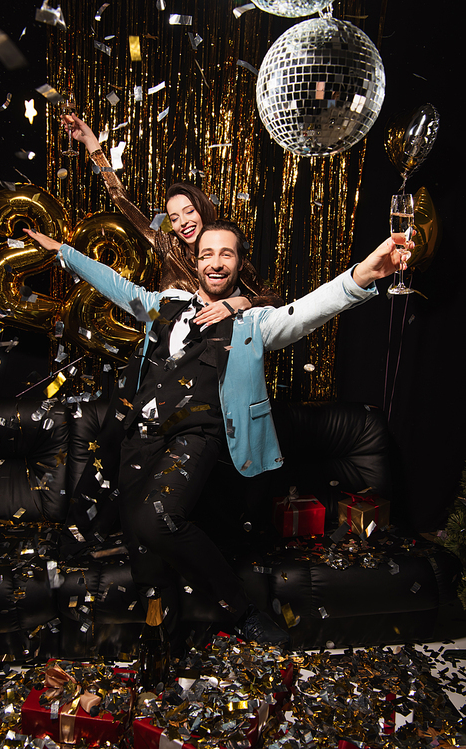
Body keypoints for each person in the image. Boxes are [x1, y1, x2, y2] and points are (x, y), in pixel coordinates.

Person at [24, 220, 409, 647]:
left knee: (156, 520)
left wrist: (364, 274)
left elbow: (307, 310)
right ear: (195, 260)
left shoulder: (252, 324)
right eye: (207, 253)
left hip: (197, 436)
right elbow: (113, 282)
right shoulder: (162, 308)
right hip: (137, 437)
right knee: (146, 558)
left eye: (227, 253)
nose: (216, 262)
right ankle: (162, 653)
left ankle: (242, 612)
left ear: (239, 262)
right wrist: (63, 250)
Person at [61, 114, 283, 324]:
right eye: (174, 218)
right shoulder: (167, 244)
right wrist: (91, 143)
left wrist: (243, 302)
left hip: (207, 348)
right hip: (163, 336)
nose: (183, 222)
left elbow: (274, 300)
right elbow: (122, 200)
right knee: (137, 307)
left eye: (189, 212)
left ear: (203, 210)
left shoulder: (226, 256)